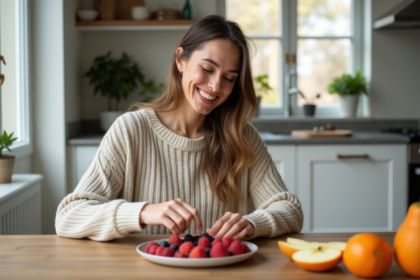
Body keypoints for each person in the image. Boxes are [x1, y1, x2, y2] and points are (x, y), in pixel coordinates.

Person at [56, 15, 303, 241]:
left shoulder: (242, 137)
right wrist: (142, 212)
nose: (216, 86)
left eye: (229, 78)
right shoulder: (131, 130)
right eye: (207, 69)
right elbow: (68, 216)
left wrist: (251, 223)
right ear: (180, 60)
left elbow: (290, 211)